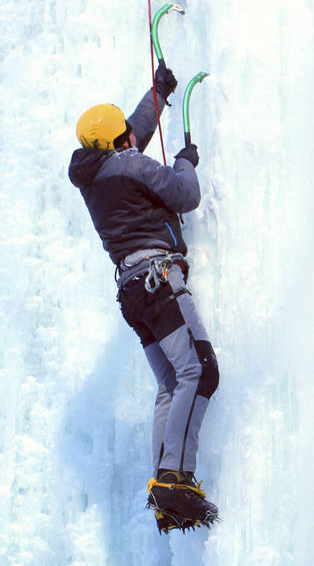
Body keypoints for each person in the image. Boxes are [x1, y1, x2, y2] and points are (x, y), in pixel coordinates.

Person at [68, 61, 219, 533]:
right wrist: (186, 160)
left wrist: (157, 94)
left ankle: (164, 489)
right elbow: (184, 193)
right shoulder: (128, 162)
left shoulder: (94, 177)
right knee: (200, 369)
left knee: (173, 383)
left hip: (133, 294)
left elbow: (130, 138)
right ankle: (175, 477)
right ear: (118, 141)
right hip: (159, 279)